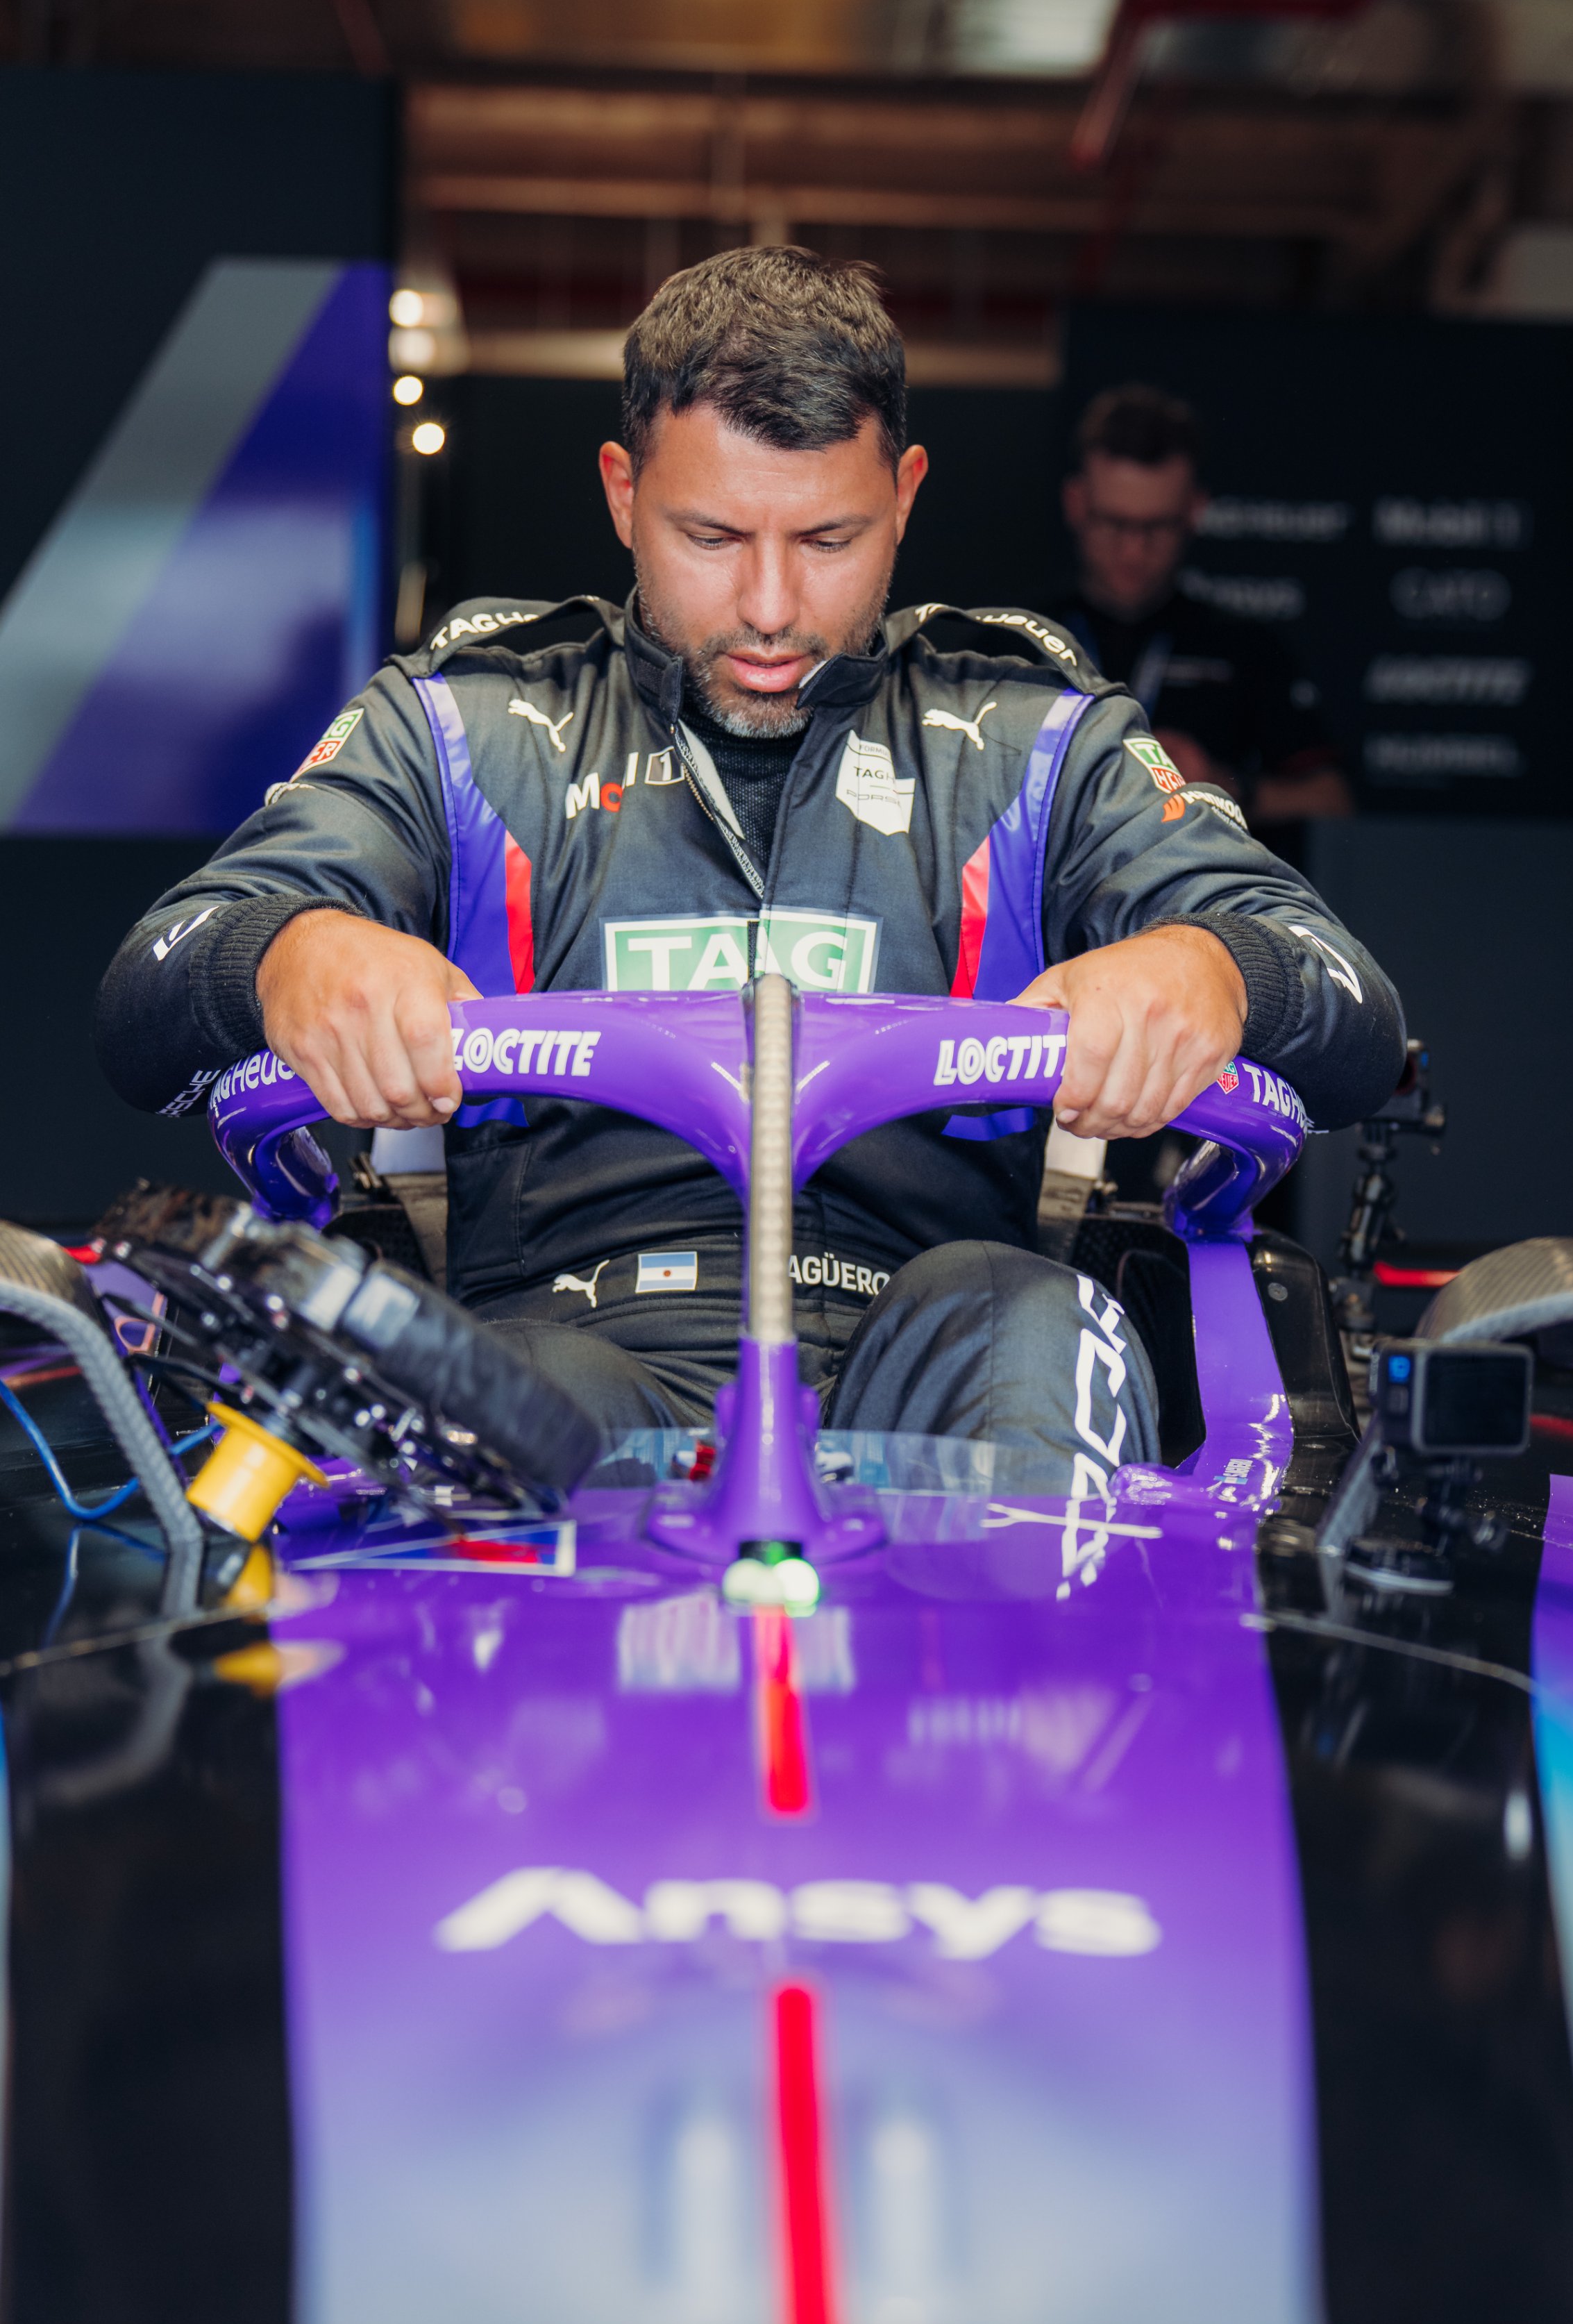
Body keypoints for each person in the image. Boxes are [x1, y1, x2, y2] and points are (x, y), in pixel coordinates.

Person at [96, 248, 1402, 1496]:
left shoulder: (1035, 732)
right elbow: (142, 1006)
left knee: (1033, 1324)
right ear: (621, 493)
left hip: (940, 1337)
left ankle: (1008, 1720)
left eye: (827, 539)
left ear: (904, 497)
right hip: (564, 1340)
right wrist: (285, 956)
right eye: (712, 536)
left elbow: (1356, 1015)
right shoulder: (464, 721)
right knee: (488, 1400)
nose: (771, 606)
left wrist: (1212, 968)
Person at [1050, 383, 1352, 828]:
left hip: (1198, 892)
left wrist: (1221, 785)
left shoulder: (1246, 649)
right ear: (1076, 504)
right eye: (1114, 523)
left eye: (1157, 527)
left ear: (1194, 511)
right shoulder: (1016, 643)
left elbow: (1334, 799)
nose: (1134, 551)